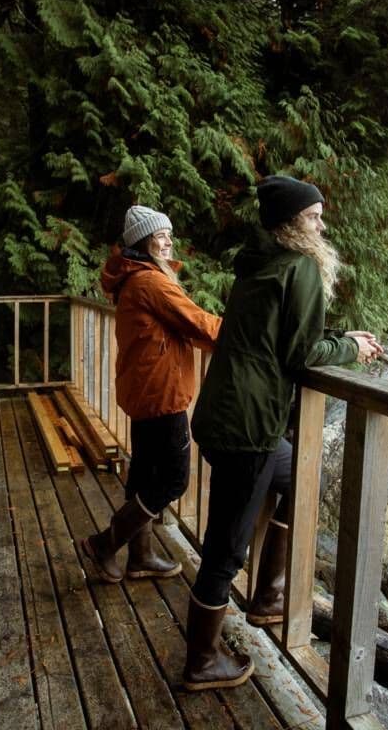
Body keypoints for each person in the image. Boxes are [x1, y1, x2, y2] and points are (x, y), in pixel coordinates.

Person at [183, 175, 383, 691]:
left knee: (300, 478)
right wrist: (352, 351)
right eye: (315, 216)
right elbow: (300, 355)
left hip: (227, 415)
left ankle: (269, 595)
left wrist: (339, 339)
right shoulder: (300, 268)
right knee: (225, 549)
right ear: (295, 223)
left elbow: (285, 339)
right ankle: (201, 661)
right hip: (248, 427)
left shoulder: (257, 266)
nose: (322, 224)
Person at [79, 205, 223, 584]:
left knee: (144, 472)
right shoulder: (150, 282)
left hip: (145, 388)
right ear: (142, 242)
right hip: (161, 393)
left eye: (169, 234)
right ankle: (105, 543)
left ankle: (140, 557)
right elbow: (200, 323)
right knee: (174, 479)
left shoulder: (136, 278)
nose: (168, 241)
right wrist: (246, 334)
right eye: (161, 235)